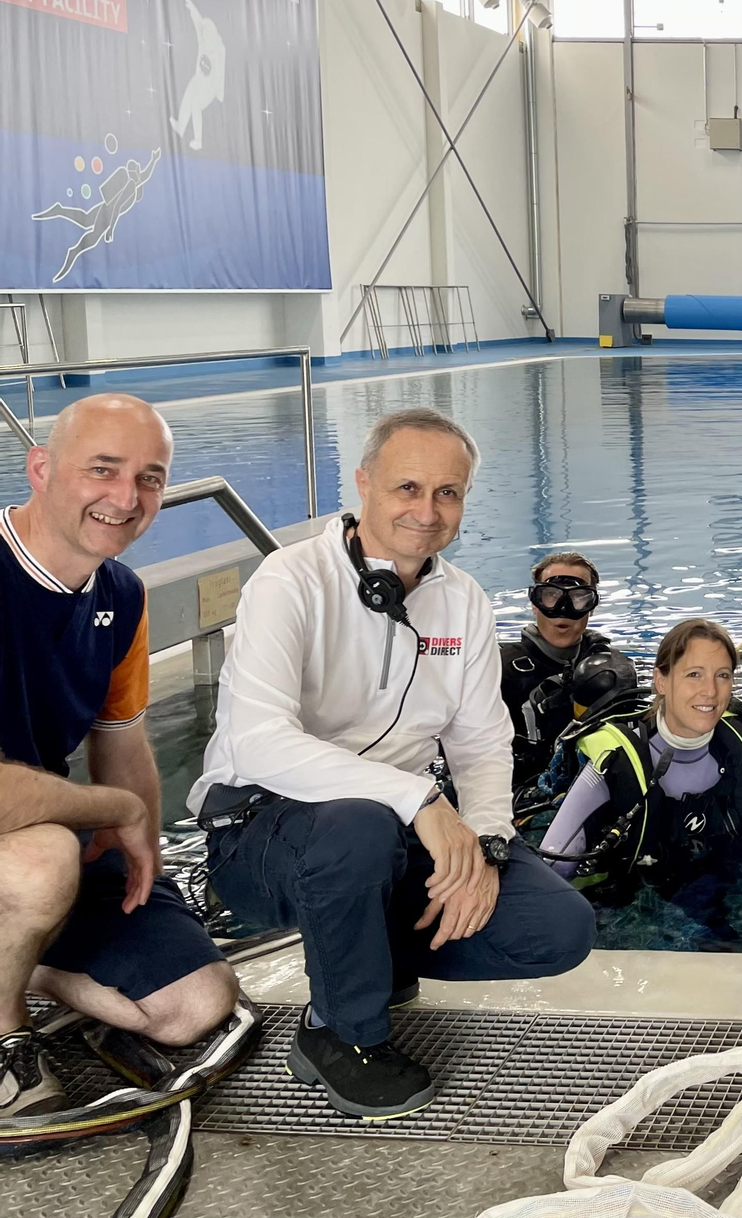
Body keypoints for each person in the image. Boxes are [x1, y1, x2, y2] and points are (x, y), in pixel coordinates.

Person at [191, 408, 595, 1121]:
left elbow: (478, 741)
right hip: (262, 834)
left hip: (392, 829)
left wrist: (490, 844)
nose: (427, 510)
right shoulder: (290, 581)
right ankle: (341, 1034)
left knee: (557, 927)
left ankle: (369, 957)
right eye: (408, 487)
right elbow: (257, 741)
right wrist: (419, 800)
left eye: (448, 492)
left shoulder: (461, 599)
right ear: (364, 483)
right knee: (361, 828)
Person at [1, 395, 237, 1118]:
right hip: (25, 841)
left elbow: (123, 740)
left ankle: (24, 955)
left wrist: (144, 857)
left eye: (150, 477)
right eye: (102, 469)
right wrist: (116, 808)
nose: (125, 497)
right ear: (41, 468)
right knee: (44, 860)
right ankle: (5, 1038)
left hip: (30, 838)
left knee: (195, 1003)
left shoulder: (120, 596)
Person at [539, 619, 742, 925]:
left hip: (734, 883)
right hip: (630, 901)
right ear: (661, 681)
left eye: (722, 675)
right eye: (694, 674)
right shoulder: (613, 764)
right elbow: (552, 871)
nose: (710, 690)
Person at [500, 552, 610, 794]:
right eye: (550, 596)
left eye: (579, 598)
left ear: (591, 608)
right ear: (534, 603)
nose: (563, 610)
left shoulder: (611, 670)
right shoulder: (499, 670)